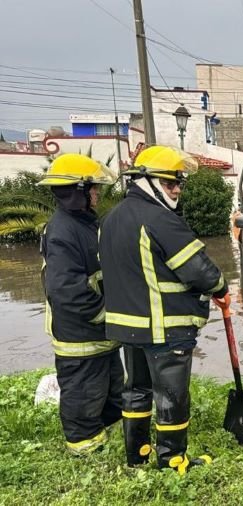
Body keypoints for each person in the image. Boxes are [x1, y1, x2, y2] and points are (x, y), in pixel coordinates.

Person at [99, 145, 228, 472]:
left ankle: (137, 455)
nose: (177, 190)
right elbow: (200, 271)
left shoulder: (110, 220)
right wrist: (222, 288)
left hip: (128, 328)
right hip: (165, 328)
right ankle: (173, 462)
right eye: (171, 183)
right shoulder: (160, 220)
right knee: (171, 398)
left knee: (136, 391)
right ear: (147, 181)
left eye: (179, 183)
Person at [38, 153, 124, 455]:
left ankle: (109, 442)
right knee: (84, 397)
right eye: (93, 189)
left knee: (112, 394)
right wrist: (105, 313)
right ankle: (84, 450)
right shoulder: (62, 231)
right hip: (80, 337)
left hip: (101, 335)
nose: (98, 194)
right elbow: (67, 290)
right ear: (77, 191)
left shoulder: (85, 224)